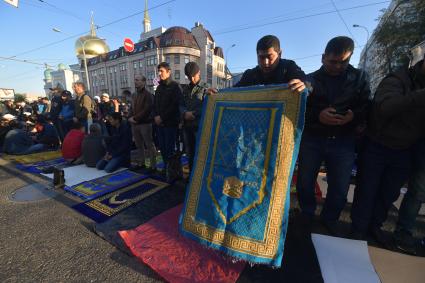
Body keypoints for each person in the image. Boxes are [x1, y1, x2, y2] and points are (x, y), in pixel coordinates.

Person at [295, 36, 371, 235]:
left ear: (350, 58)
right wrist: (318, 115)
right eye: (333, 62)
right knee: (304, 181)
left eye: (344, 62)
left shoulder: (360, 78)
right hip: (313, 138)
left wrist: (353, 117)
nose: (338, 66)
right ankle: (307, 213)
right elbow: (298, 108)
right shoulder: (309, 80)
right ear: (323, 58)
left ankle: (330, 219)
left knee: (339, 187)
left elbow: (367, 106)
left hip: (343, 140)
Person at [351, 56, 425, 247]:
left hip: (405, 150)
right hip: (377, 145)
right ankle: (358, 229)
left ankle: (375, 227)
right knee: (367, 190)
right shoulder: (397, 79)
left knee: (388, 194)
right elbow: (385, 108)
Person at [235, 35, 305, 93]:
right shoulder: (249, 75)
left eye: (270, 57)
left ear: (279, 54)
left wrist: (303, 85)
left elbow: (307, 80)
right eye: (261, 57)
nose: (266, 62)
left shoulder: (289, 67)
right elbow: (232, 92)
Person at [180, 62, 216, 171]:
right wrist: (184, 113)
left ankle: (200, 177)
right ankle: (191, 177)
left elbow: (208, 105)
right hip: (187, 127)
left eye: (193, 76)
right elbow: (181, 104)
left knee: (201, 154)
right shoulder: (185, 89)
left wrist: (194, 114)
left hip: (200, 127)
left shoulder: (206, 88)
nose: (191, 79)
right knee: (189, 154)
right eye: (189, 76)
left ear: (198, 73)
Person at [153, 62, 183, 169]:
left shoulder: (175, 86)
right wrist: (156, 116)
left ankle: (172, 170)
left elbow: (175, 105)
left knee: (170, 149)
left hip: (170, 124)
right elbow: (155, 104)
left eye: (162, 71)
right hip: (159, 124)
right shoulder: (159, 87)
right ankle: (166, 167)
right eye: (159, 71)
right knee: (162, 148)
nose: (159, 73)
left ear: (168, 72)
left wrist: (162, 117)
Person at [128, 74, 157, 171]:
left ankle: (153, 165)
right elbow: (131, 108)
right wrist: (130, 117)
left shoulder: (148, 95)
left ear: (144, 82)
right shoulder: (134, 94)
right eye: (135, 80)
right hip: (135, 124)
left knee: (149, 144)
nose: (135, 81)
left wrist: (134, 118)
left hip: (145, 123)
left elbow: (147, 110)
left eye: (138, 80)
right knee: (138, 144)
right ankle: (142, 163)